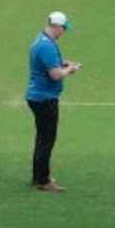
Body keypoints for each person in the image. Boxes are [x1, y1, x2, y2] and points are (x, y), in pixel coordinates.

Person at [25, 11, 83, 192]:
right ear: (56, 26)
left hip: (37, 96)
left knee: (41, 137)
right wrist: (70, 69)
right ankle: (44, 180)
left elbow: (49, 65)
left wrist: (62, 63)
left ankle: (38, 176)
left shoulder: (39, 40)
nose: (63, 31)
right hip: (45, 99)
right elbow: (56, 75)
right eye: (63, 28)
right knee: (47, 140)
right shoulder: (47, 47)